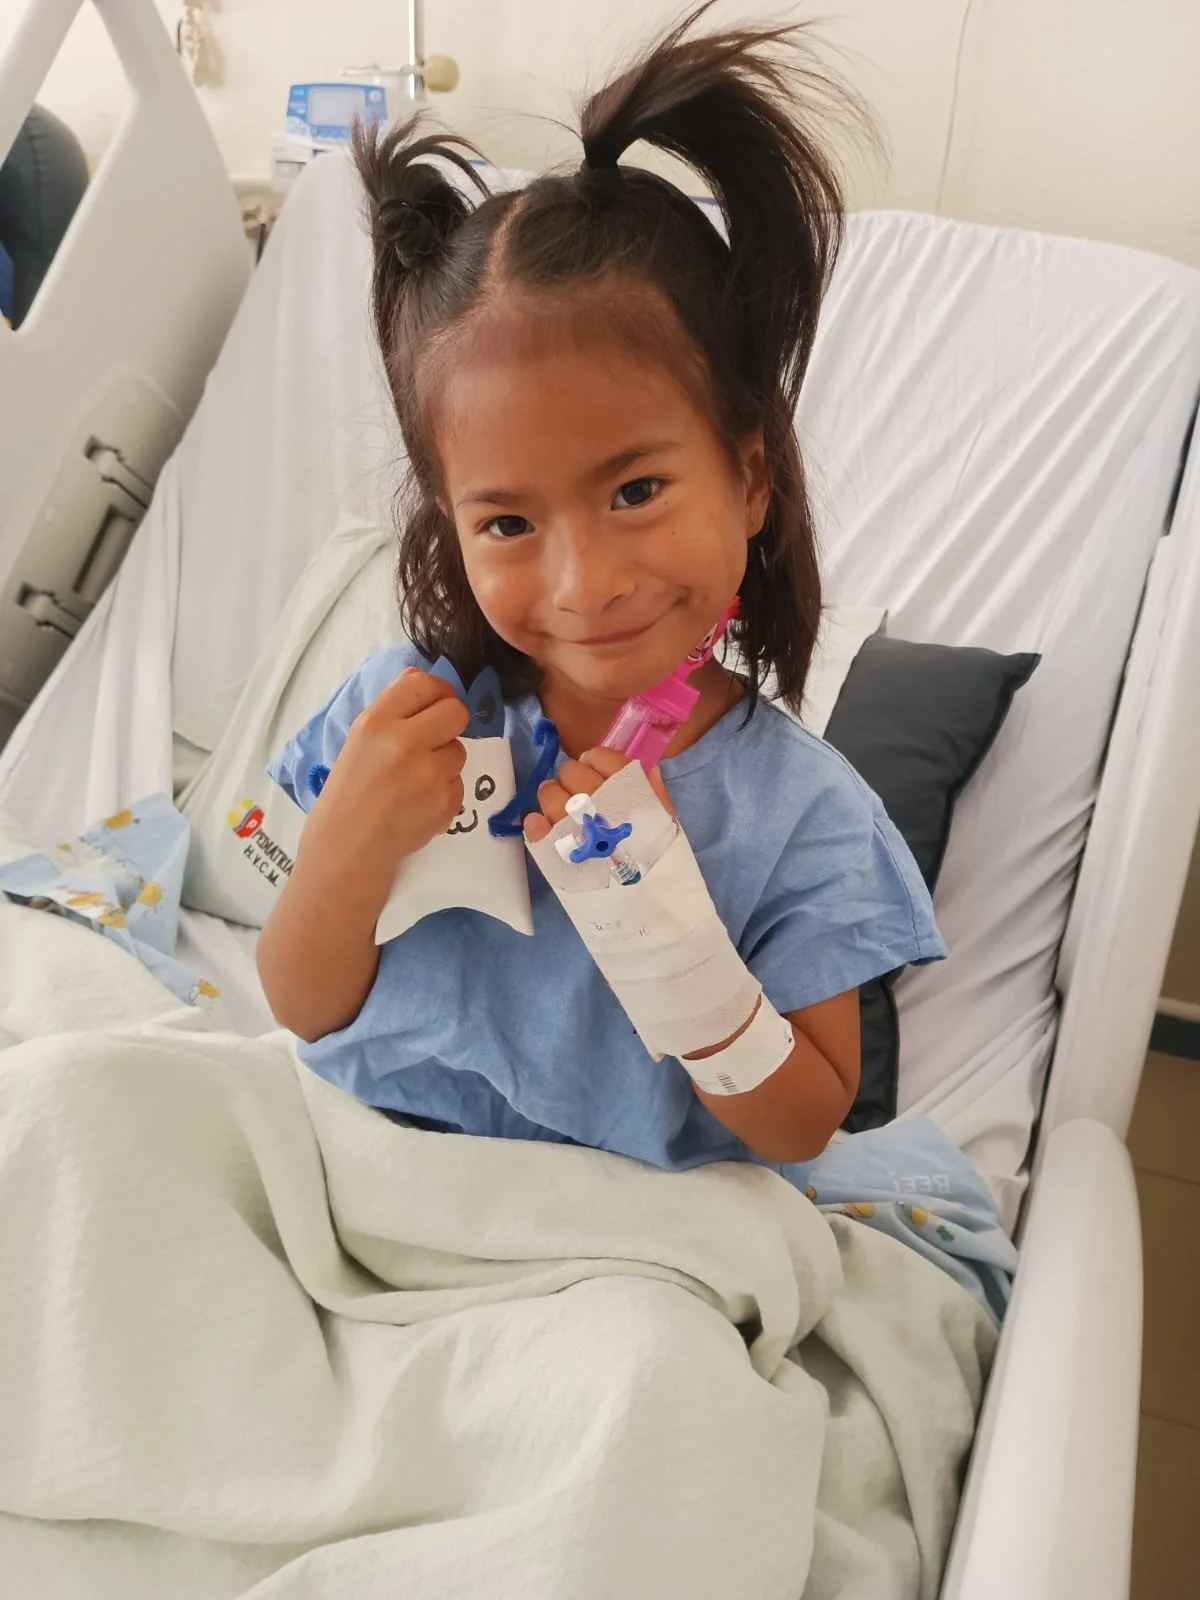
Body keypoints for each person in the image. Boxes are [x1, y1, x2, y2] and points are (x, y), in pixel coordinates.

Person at [256, 6, 946, 1180]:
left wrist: (674, 942)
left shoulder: (801, 818)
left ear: (749, 476)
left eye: (634, 490)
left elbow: (805, 1123)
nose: (584, 582)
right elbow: (303, 1005)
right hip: (370, 1170)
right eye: (510, 522)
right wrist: (345, 848)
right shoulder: (405, 716)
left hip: (620, 1236)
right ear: (451, 527)